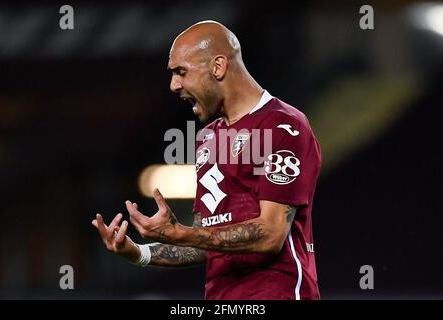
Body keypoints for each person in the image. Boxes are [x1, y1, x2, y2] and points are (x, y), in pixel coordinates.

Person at [92, 20, 321, 300]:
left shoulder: (284, 126)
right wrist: (138, 252)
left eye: (181, 72)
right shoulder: (208, 139)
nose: (174, 85)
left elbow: (271, 234)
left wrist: (181, 233)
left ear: (218, 66)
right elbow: (206, 239)